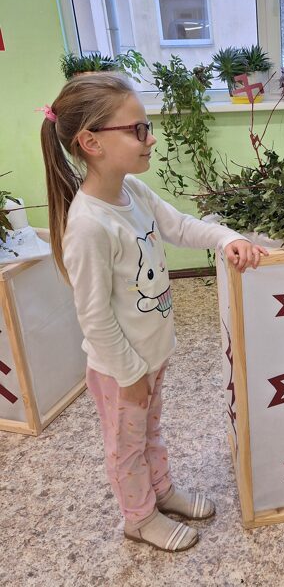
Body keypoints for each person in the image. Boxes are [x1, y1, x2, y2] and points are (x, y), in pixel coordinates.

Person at [40, 72, 267, 552]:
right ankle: (139, 518)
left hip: (151, 355)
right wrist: (128, 375)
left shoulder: (133, 193)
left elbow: (180, 226)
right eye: (138, 129)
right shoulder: (89, 225)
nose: (151, 138)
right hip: (120, 369)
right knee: (126, 447)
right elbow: (94, 316)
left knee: (150, 432)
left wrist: (227, 237)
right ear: (91, 143)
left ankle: (160, 492)